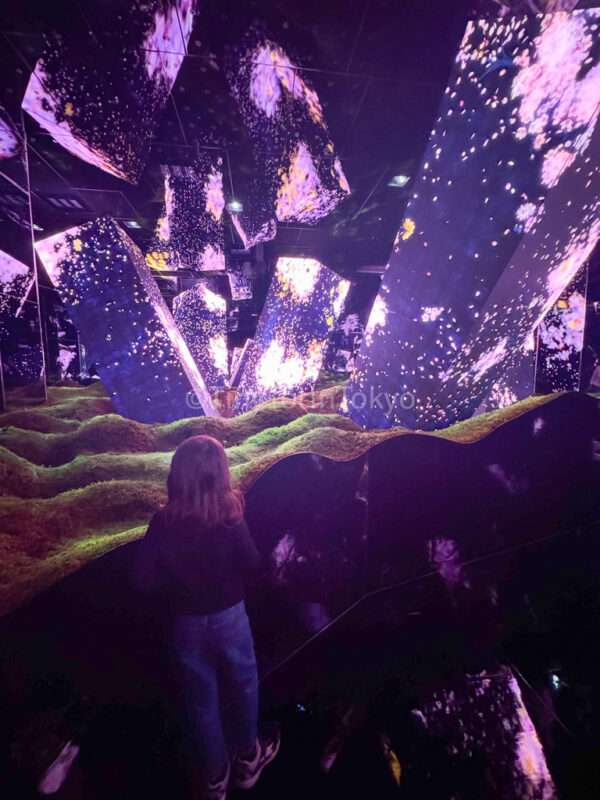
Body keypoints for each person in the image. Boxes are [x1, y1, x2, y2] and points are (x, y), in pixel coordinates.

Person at [133, 435, 280, 799]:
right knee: (246, 681)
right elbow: (253, 562)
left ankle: (215, 779)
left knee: (201, 700)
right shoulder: (230, 516)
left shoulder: (162, 522)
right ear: (221, 475)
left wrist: (175, 580)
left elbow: (142, 579)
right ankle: (248, 759)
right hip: (230, 616)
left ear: (176, 476)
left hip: (187, 623)